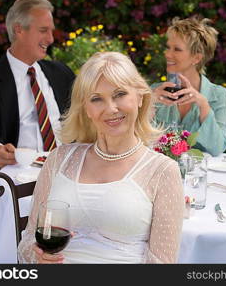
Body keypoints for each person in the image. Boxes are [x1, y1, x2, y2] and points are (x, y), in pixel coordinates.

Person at [18, 52, 185, 264]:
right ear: (86, 108)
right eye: (97, 99)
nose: (111, 109)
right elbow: (27, 242)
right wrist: (37, 256)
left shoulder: (162, 171)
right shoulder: (59, 160)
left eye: (120, 94)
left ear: (140, 97)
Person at [0, 0, 75, 263]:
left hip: (63, 173)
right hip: (8, 177)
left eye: (51, 30)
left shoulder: (60, 74)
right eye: (44, 30)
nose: (52, 38)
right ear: (19, 30)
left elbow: (87, 111)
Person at [150, 16, 226, 157]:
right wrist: (149, 104)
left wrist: (203, 106)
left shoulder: (219, 96)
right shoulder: (155, 92)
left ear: (196, 58)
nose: (168, 54)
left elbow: (218, 148)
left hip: (200, 175)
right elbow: (140, 142)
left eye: (177, 49)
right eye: (168, 47)